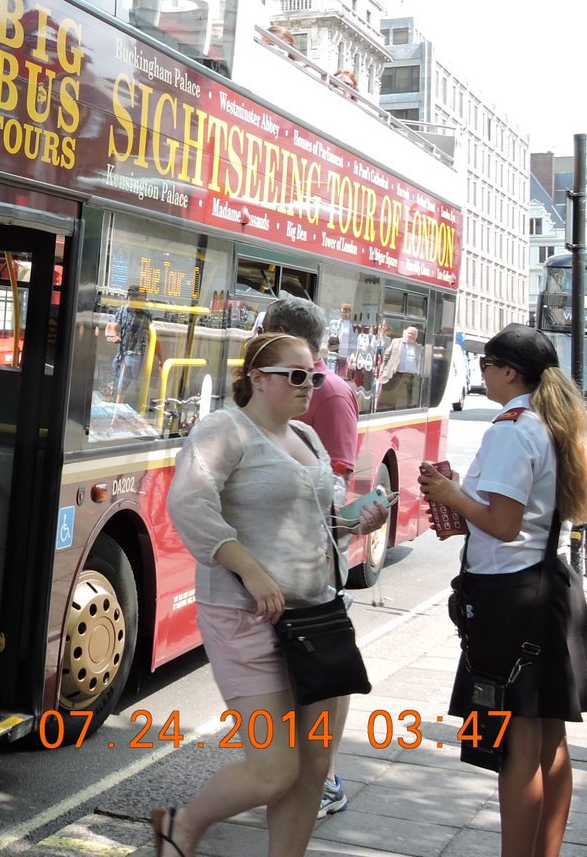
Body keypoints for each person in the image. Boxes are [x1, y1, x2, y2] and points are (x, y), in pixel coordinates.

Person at [159, 332, 388, 857]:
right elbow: (190, 506)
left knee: (313, 766)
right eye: (295, 376)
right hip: (244, 618)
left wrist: (361, 519)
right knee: (272, 770)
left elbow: (324, 524)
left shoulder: (307, 438)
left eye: (314, 376)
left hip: (318, 620)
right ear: (258, 379)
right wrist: (250, 569)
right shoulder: (223, 430)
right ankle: (181, 826)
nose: (308, 386)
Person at [418, 324, 587, 857]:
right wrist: (462, 514)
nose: (483, 373)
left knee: (514, 747)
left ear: (509, 371)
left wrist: (449, 493)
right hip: (544, 590)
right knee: (549, 743)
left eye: (487, 364)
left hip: (512, 601)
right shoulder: (547, 422)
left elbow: (506, 522)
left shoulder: (512, 428)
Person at [260, 297, 362, 818]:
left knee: (318, 673)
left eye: (265, 329)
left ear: (282, 332)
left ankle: (325, 780)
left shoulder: (332, 392)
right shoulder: (281, 384)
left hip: (314, 558)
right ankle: (295, 776)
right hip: (279, 551)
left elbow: (340, 475)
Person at [108, 287, 153, 406]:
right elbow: (113, 327)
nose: (143, 304)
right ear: (130, 299)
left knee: (122, 385)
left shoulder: (146, 314)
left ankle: (116, 416)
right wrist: (113, 336)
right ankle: (118, 410)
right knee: (119, 382)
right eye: (140, 301)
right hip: (122, 352)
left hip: (134, 354)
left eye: (144, 301)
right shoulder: (123, 310)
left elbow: (152, 337)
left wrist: (161, 359)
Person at [325, 301, 359, 375]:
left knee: (342, 373)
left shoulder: (351, 325)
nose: (344, 314)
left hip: (345, 354)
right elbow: (330, 336)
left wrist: (353, 354)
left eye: (346, 312)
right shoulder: (335, 323)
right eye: (342, 312)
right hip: (335, 352)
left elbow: (353, 341)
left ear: (350, 313)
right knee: (332, 371)